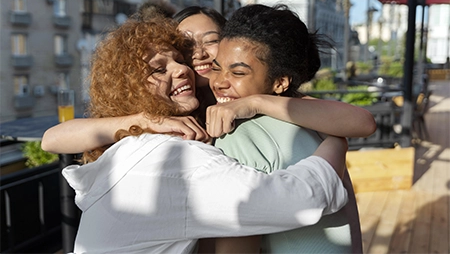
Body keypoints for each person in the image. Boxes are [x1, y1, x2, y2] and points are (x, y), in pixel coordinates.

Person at [60, 14, 349, 253]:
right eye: (159, 70)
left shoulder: (129, 147)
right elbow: (301, 199)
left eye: (178, 60)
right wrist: (337, 141)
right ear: (129, 90)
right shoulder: (173, 157)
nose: (182, 69)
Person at [207, 4, 361, 253]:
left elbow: (237, 245)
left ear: (280, 82)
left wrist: (254, 102)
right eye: (216, 67)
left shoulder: (237, 135)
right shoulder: (317, 123)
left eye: (237, 72)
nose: (219, 81)